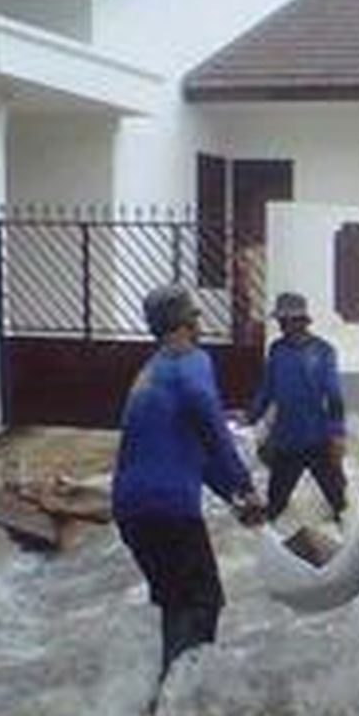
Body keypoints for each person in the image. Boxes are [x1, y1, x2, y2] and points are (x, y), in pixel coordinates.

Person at [113, 285, 265, 694]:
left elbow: (193, 451)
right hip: (168, 509)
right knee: (203, 603)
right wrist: (246, 486)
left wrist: (233, 498)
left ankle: (156, 709)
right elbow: (208, 417)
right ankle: (177, 710)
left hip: (133, 511)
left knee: (177, 605)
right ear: (183, 323)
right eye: (195, 317)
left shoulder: (152, 371)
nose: (200, 324)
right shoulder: (190, 360)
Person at [247, 293, 347, 522]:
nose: (281, 325)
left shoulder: (323, 352)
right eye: (280, 320)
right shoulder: (277, 350)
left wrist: (337, 433)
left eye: (286, 320)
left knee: (338, 500)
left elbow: (334, 396)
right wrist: (251, 417)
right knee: (275, 504)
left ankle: (347, 545)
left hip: (317, 438)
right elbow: (267, 389)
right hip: (286, 440)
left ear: (300, 321)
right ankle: (274, 550)